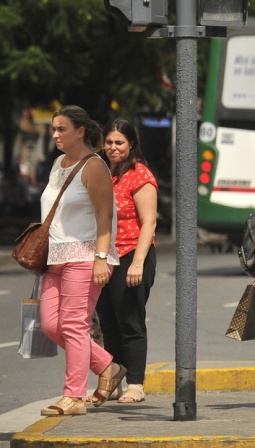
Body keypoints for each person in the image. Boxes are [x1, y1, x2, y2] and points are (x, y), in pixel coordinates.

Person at [39, 105, 124, 416]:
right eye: (53, 129)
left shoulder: (94, 166)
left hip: (86, 256)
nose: (55, 135)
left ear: (80, 132)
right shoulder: (57, 164)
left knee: (74, 325)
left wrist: (101, 258)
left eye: (61, 129)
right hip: (55, 257)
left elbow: (105, 217)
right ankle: (107, 366)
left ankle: (74, 397)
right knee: (51, 325)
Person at [94, 118, 158, 404]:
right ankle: (112, 381)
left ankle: (136, 383)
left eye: (119, 142)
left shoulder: (139, 174)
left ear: (131, 144)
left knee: (130, 322)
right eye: (108, 142)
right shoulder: (102, 172)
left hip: (132, 254)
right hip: (104, 255)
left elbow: (149, 223)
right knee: (108, 323)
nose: (113, 147)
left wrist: (138, 263)